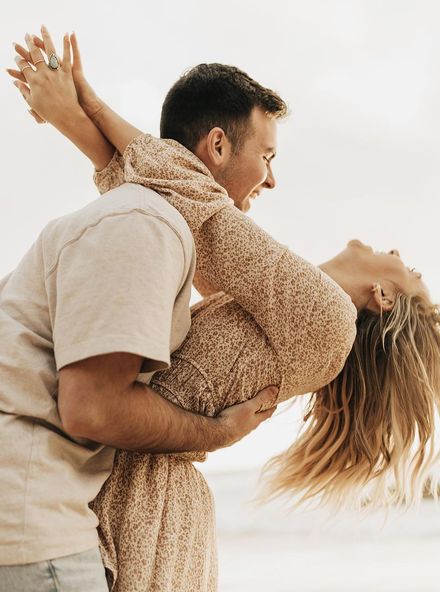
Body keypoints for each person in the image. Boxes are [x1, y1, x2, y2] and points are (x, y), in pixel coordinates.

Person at [8, 29, 440, 592]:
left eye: (408, 269)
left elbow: (197, 203)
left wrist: (83, 104)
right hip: (125, 479)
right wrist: (71, 110)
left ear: (384, 299)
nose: (396, 254)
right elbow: (173, 202)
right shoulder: (275, 300)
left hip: (150, 494)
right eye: (266, 157)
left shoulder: (326, 317)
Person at [0, 30, 280, 592]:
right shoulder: (145, 226)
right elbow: (91, 408)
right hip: (35, 528)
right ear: (218, 146)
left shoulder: (147, 220)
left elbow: (217, 257)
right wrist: (217, 433)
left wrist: (80, 109)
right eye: (267, 156)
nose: (272, 179)